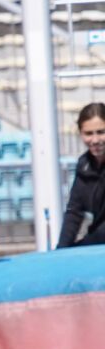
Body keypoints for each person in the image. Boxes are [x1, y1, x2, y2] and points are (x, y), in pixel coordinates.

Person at [64, 101, 105, 248]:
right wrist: (60, 252)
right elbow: (74, 212)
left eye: (101, 132)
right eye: (88, 133)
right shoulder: (84, 165)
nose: (95, 140)